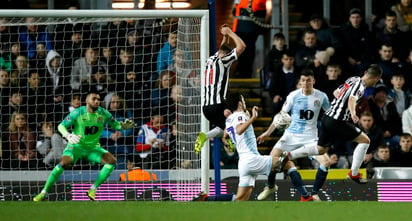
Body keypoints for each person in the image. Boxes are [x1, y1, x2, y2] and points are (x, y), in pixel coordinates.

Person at [33, 91, 136, 202]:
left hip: (92, 148)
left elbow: (115, 124)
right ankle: (43, 193)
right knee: (64, 163)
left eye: (98, 99)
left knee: (111, 161)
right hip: (76, 147)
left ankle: (92, 189)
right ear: (87, 101)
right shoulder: (78, 113)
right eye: (94, 99)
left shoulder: (104, 113)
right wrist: (68, 135)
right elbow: (61, 126)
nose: (97, 101)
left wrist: (122, 126)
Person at [193, 93, 287, 201]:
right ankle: (275, 188)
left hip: (243, 163)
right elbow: (239, 130)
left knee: (240, 199)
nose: (245, 102)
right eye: (244, 101)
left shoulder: (229, 120)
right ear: (240, 103)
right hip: (252, 159)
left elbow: (225, 135)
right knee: (287, 163)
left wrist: (231, 143)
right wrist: (253, 118)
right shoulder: (240, 116)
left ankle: (206, 199)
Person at [256, 69, 331, 201]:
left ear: (314, 81)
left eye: (308, 80)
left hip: (310, 139)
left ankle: (314, 193)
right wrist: (267, 133)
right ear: (300, 82)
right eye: (303, 80)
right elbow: (281, 116)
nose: (306, 83)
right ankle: (270, 186)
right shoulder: (293, 96)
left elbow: (330, 116)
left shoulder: (322, 97)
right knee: (271, 160)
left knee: (326, 162)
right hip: (290, 136)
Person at [313, 64, 383, 184]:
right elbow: (352, 99)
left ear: (366, 71)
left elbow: (336, 92)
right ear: (376, 79)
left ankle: (289, 154)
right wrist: (353, 112)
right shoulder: (360, 87)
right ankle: (354, 174)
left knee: (320, 150)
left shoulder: (353, 79)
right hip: (337, 121)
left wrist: (341, 103)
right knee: (365, 140)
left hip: (327, 117)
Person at [194, 24, 245, 154]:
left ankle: (206, 136)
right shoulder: (224, 61)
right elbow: (242, 47)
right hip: (218, 106)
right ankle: (229, 141)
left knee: (224, 127)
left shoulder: (210, 60)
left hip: (206, 109)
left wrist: (225, 36)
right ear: (227, 55)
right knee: (238, 121)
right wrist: (230, 32)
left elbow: (222, 48)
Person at [232, 0, 272, 78]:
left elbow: (234, 9)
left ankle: (243, 72)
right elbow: (269, 10)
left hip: (244, 28)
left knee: (245, 51)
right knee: (246, 51)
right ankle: (243, 72)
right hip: (243, 27)